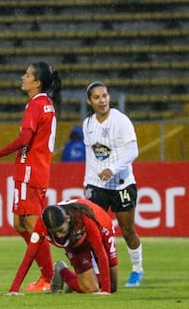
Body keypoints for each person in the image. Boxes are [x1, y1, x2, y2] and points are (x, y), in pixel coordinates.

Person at [0, 62, 61, 291]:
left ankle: (49, 277)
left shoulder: (35, 105)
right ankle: (49, 273)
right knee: (19, 223)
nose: (22, 77)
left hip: (29, 171)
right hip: (37, 169)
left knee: (33, 225)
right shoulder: (47, 104)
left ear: (37, 82)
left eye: (27, 74)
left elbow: (24, 140)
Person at [82, 81, 143, 287]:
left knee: (127, 230)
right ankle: (99, 270)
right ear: (90, 101)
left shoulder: (121, 121)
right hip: (97, 185)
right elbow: (90, 156)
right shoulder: (88, 124)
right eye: (97, 97)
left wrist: (113, 169)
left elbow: (133, 151)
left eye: (105, 96)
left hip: (122, 183)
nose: (102, 101)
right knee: (94, 230)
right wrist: (87, 181)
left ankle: (137, 269)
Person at [6, 198, 118, 296]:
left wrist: (106, 290)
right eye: (54, 233)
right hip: (76, 242)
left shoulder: (84, 219)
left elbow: (100, 252)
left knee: (112, 285)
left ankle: (78, 279)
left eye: (61, 230)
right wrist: (14, 289)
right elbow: (29, 256)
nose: (59, 235)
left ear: (68, 219)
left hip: (102, 229)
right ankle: (62, 272)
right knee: (91, 288)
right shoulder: (41, 226)